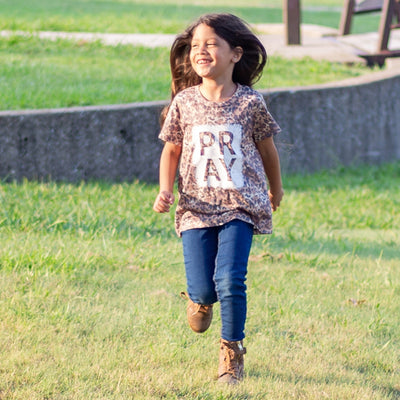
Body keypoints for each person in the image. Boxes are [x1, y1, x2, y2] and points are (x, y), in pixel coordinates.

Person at [153, 13, 284, 385]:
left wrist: (276, 190)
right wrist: (165, 189)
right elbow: (171, 150)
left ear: (235, 54)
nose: (201, 50)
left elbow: (268, 149)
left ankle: (232, 354)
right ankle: (198, 298)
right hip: (195, 207)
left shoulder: (250, 103)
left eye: (211, 43)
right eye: (195, 45)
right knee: (205, 287)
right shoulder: (185, 103)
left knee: (230, 280)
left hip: (239, 206)